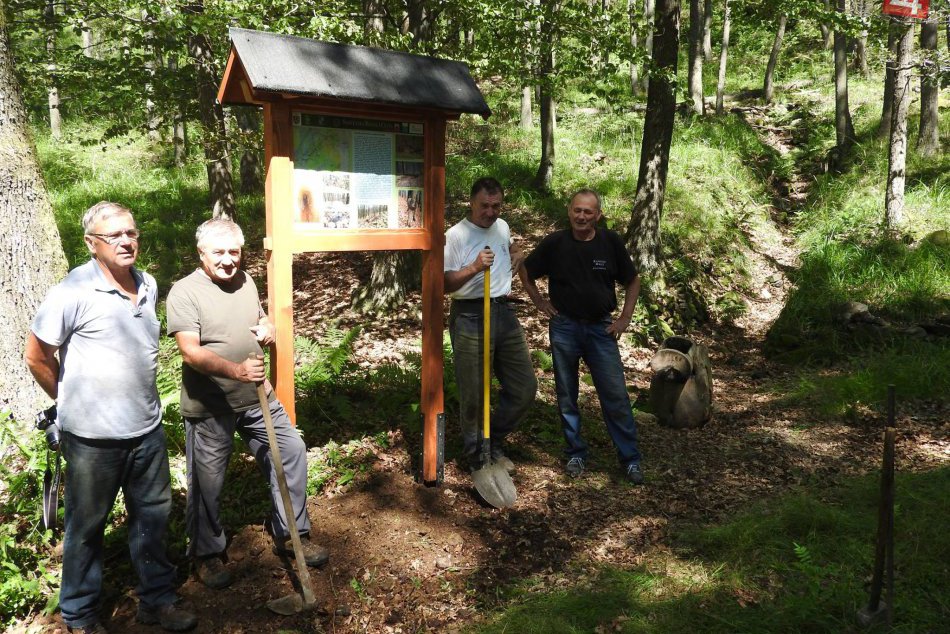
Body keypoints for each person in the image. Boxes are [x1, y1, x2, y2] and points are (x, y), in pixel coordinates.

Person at [24, 202, 196, 633]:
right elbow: (36, 355)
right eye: (113, 236)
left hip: (147, 429)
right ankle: (79, 615)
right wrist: (68, 400)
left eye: (131, 233)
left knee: (153, 518)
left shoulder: (149, 284)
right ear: (91, 244)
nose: (125, 241)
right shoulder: (72, 291)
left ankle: (156, 599)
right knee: (86, 527)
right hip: (91, 439)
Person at [165, 219, 328, 590]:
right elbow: (191, 352)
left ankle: (291, 532)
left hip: (257, 397)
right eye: (219, 253)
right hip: (210, 405)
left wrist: (267, 325)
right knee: (207, 481)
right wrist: (235, 370)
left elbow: (258, 319)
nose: (227, 261)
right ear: (201, 253)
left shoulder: (245, 280)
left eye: (234, 252)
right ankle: (206, 554)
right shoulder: (185, 292)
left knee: (290, 449)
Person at [523, 189, 645, 484]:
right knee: (567, 394)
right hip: (564, 326)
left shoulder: (610, 241)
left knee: (615, 394)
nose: (581, 216)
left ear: (598, 216)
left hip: (601, 329)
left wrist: (625, 318)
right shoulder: (555, 243)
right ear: (569, 212)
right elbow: (526, 270)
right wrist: (540, 302)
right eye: (577, 210)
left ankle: (630, 459)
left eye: (588, 212)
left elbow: (633, 280)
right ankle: (575, 452)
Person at [444, 177, 537, 474]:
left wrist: (518, 251)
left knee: (525, 387)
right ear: (471, 202)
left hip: (503, 312)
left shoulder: (502, 225)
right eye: (484, 205)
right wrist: (473, 268)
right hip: (470, 315)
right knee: (473, 391)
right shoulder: (455, 236)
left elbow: (511, 244)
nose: (490, 212)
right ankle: (477, 456)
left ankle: (493, 439)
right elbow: (444, 284)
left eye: (496, 205)